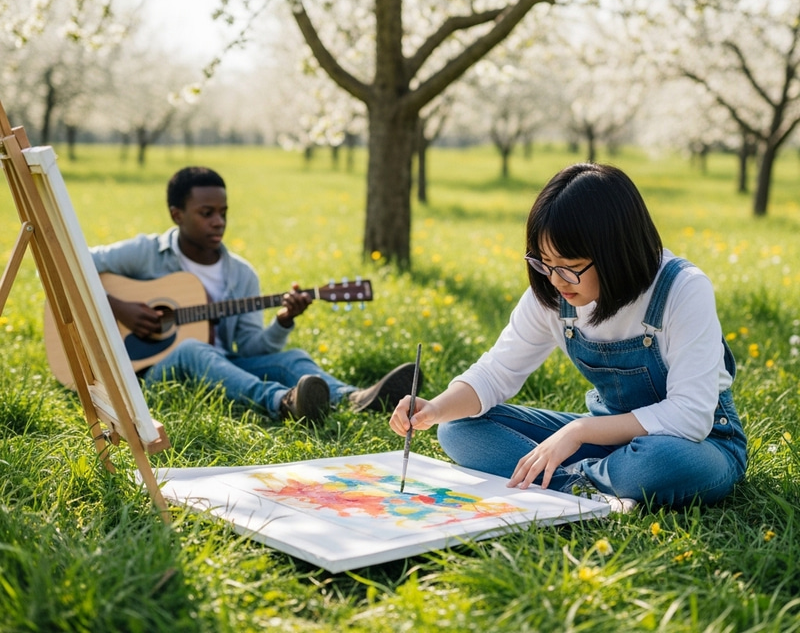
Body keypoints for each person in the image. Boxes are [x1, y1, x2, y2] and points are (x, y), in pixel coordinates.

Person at [391, 162, 747, 509]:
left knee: (664, 461)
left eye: (571, 267)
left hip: (700, 444)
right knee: (457, 428)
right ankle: (585, 488)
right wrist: (436, 408)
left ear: (615, 251)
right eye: (544, 264)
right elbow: (496, 372)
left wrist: (578, 432)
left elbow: (689, 417)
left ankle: (564, 483)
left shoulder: (682, 289)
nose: (556, 280)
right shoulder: (553, 293)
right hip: (607, 442)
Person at [90, 166, 419, 424]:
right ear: (177, 215)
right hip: (150, 373)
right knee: (193, 349)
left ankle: (353, 399)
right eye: (207, 213)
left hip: (223, 365)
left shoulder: (241, 274)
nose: (219, 222)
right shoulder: (146, 252)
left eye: (224, 212)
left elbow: (248, 348)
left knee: (293, 358)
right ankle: (282, 402)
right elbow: (73, 260)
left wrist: (283, 321)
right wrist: (117, 307)